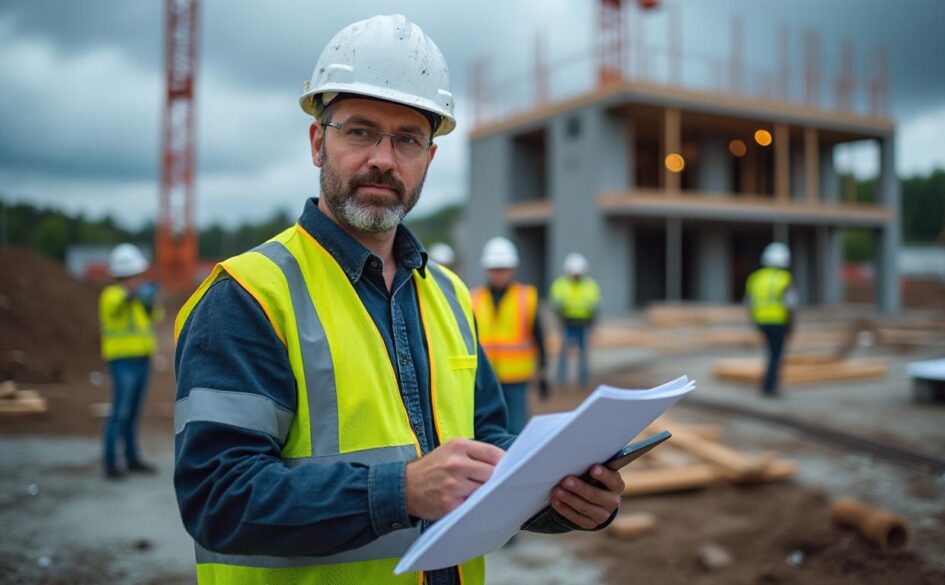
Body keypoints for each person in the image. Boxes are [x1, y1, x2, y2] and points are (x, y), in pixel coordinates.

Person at [172, 15, 623, 585]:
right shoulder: (249, 297)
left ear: (429, 159)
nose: (383, 158)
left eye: (407, 138)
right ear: (319, 142)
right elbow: (217, 497)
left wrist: (566, 500)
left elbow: (488, 446)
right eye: (360, 131)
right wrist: (401, 491)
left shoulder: (452, 296)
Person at [471, 237, 550, 435]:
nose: (499, 274)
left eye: (503, 269)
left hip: (516, 378)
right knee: (485, 430)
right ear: (487, 269)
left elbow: (538, 336)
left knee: (515, 428)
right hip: (483, 379)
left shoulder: (526, 296)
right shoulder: (473, 298)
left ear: (512, 269)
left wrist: (543, 372)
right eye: (495, 269)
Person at [99, 243, 159, 479]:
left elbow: (153, 317)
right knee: (120, 413)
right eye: (137, 276)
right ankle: (111, 463)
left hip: (142, 359)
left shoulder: (137, 299)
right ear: (127, 275)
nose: (141, 279)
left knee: (133, 413)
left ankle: (133, 459)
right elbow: (115, 306)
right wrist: (133, 294)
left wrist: (148, 302)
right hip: (122, 362)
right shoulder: (111, 295)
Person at [744, 242, 798, 398]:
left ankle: (768, 382)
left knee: (770, 353)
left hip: (761, 321)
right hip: (779, 322)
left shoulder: (755, 277)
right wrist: (792, 325)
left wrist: (754, 320)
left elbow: (749, 302)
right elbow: (791, 304)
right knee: (776, 354)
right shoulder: (784, 278)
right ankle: (770, 385)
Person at [550, 253, 601, 389]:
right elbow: (556, 303)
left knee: (583, 354)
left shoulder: (590, 285)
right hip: (568, 323)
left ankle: (583, 381)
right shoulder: (561, 284)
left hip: (583, 323)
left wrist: (593, 324)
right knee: (564, 353)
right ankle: (561, 380)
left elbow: (594, 305)